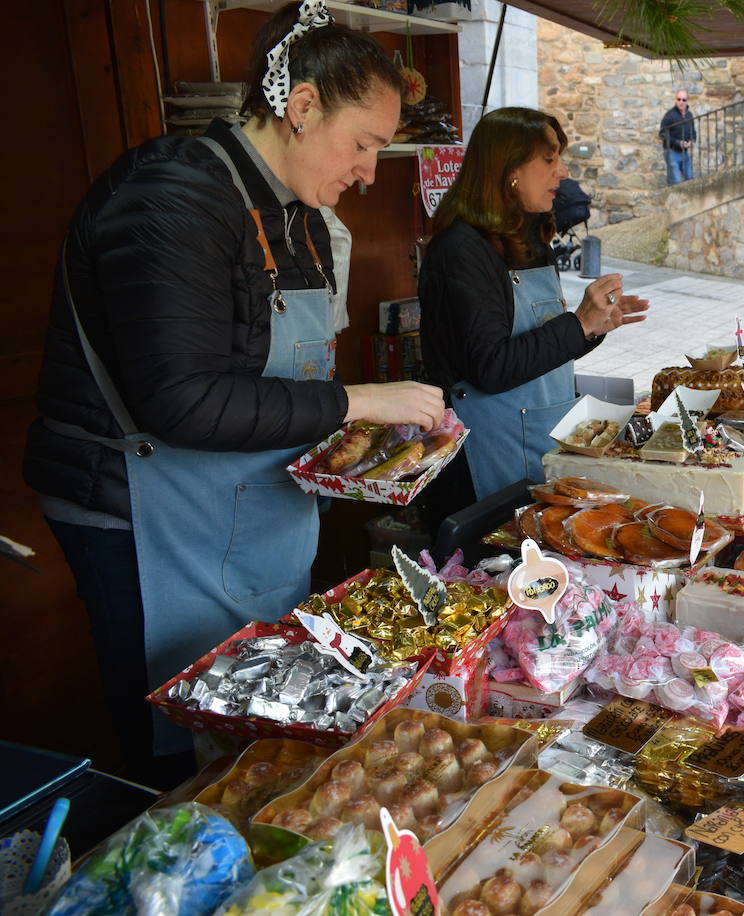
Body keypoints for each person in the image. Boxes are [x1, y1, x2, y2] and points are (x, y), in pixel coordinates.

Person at [21, 0, 444, 784]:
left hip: (251, 511)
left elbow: (285, 378)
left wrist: (368, 454)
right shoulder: (169, 202)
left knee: (259, 720)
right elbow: (182, 402)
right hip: (146, 516)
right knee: (182, 737)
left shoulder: (301, 213)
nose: (367, 171)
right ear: (303, 106)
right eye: (364, 144)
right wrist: (359, 402)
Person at [419, 107, 648, 520]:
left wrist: (592, 328)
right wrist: (577, 323)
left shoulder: (527, 237)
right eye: (549, 159)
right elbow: (490, 366)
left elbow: (539, 349)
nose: (562, 172)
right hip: (483, 460)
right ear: (509, 169)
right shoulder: (461, 251)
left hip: (541, 438)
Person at [659, 90, 696, 185]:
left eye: (684, 99)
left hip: (685, 153)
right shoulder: (669, 115)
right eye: (679, 99)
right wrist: (678, 142)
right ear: (675, 100)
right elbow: (662, 133)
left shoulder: (689, 115)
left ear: (687, 101)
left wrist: (692, 141)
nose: (681, 102)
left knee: (690, 180)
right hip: (672, 152)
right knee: (675, 182)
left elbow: (693, 132)